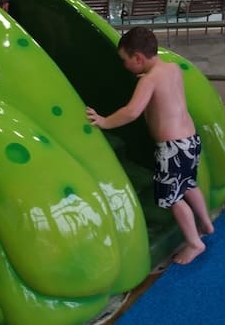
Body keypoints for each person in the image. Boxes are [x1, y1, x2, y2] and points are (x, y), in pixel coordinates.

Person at [86, 26, 213, 265]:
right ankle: (206, 222)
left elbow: (132, 112)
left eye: (125, 61)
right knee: (188, 184)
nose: (124, 66)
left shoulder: (148, 80)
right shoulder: (172, 68)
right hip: (190, 141)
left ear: (138, 58)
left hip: (172, 148)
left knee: (173, 198)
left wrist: (104, 121)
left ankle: (195, 243)